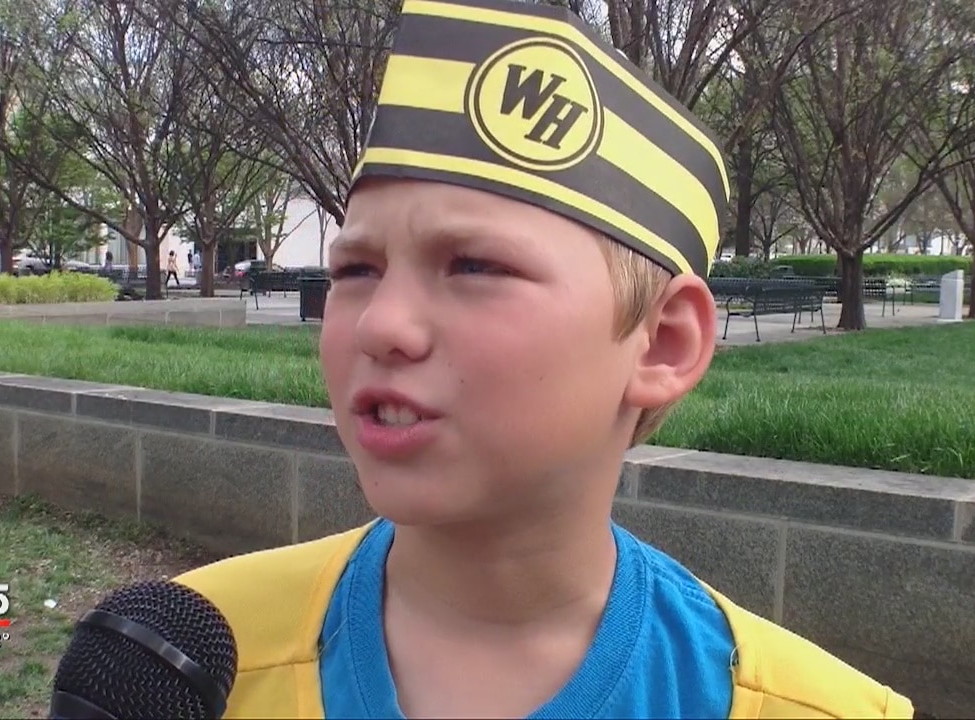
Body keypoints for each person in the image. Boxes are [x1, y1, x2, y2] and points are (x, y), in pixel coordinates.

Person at [175, 0, 919, 717]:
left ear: (663, 342)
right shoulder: (183, 665)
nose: (381, 324)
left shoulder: (811, 709)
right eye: (355, 271)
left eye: (473, 265)